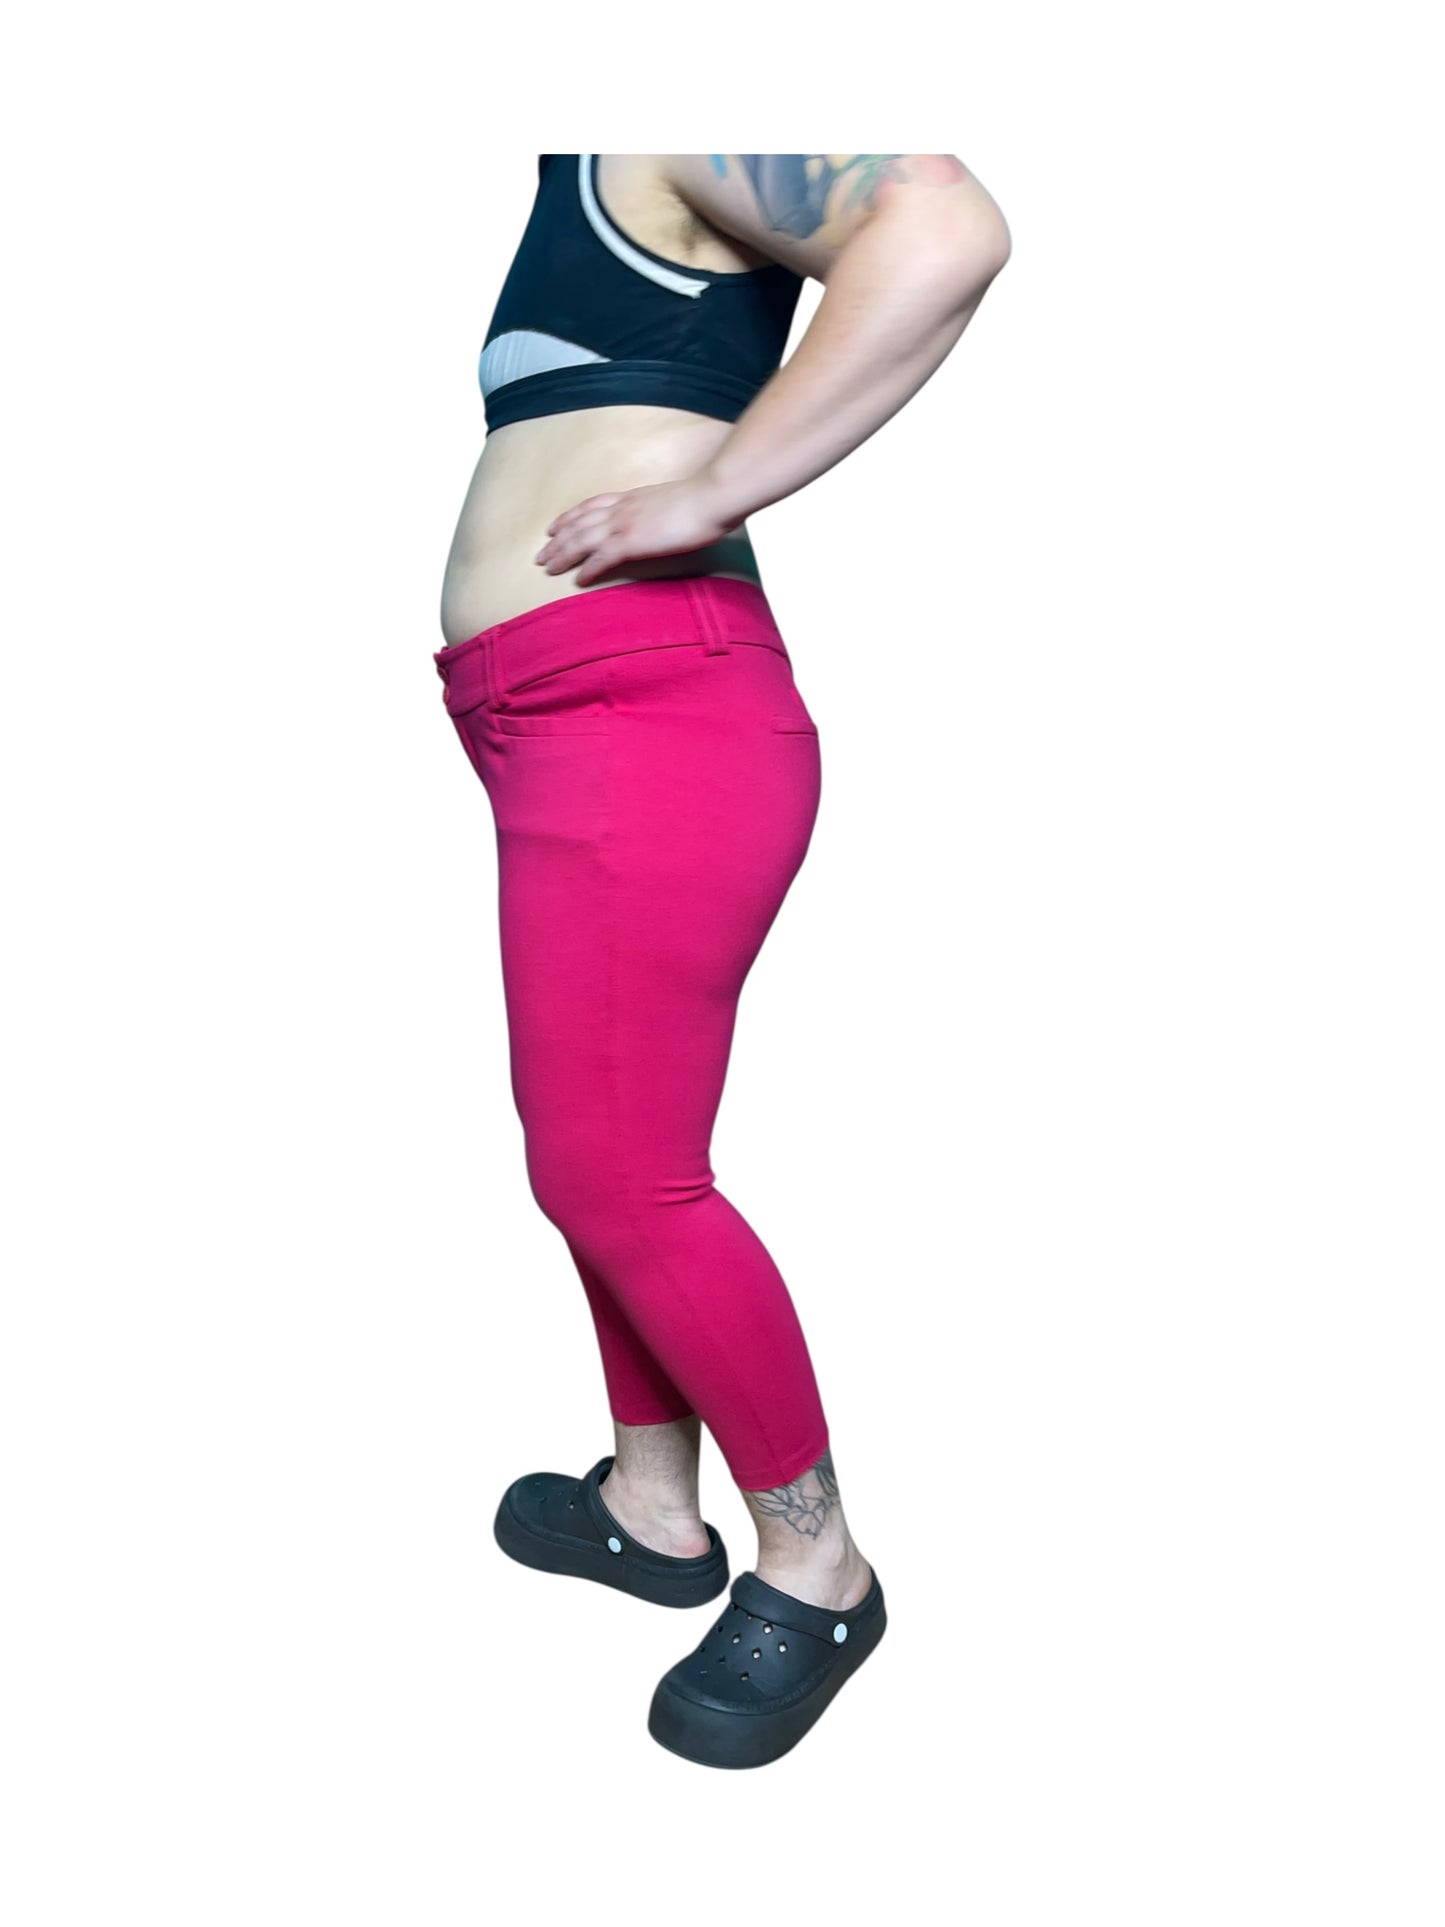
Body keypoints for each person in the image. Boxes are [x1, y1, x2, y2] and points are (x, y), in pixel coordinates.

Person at [433, 153, 1011, 1768]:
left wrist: (712, 493)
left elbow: (944, 225)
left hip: (647, 710)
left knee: (622, 1179)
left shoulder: (664, 108)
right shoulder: (580, 155)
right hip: (558, 715)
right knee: (590, 1158)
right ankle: (649, 1506)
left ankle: (818, 1570)